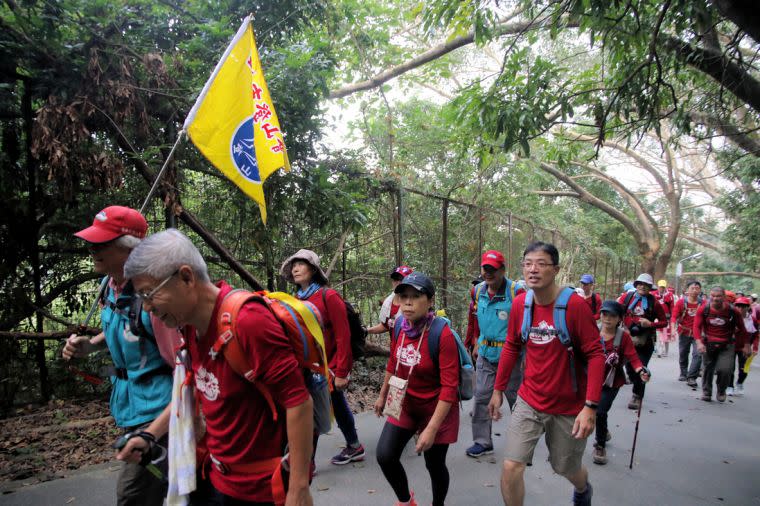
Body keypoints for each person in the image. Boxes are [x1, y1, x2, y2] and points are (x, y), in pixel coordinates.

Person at [123, 229, 314, 505]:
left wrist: (298, 488)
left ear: (186, 277)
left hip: (264, 490)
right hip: (217, 480)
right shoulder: (187, 326)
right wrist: (150, 435)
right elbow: (193, 389)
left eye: (149, 294)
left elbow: (298, 401)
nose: (147, 307)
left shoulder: (248, 321)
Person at [62, 206, 179, 506]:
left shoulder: (151, 296)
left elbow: (184, 367)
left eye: (102, 243)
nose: (92, 249)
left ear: (129, 249)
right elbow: (127, 330)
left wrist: (155, 433)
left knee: (133, 496)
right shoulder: (111, 287)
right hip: (131, 407)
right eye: (92, 241)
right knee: (161, 491)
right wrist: (90, 345)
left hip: (158, 411)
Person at [488, 242, 605, 506]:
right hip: (530, 399)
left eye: (541, 264)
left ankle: (583, 489)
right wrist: (498, 390)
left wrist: (590, 407)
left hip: (568, 405)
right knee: (511, 466)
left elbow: (596, 355)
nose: (533, 270)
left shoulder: (575, 307)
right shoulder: (520, 305)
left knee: (565, 468)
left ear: (556, 270)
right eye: (528, 263)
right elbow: (511, 346)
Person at [374, 272, 459, 506]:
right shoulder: (400, 324)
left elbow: (450, 387)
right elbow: (393, 362)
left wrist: (431, 429)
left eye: (415, 296)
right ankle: (406, 501)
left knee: (434, 464)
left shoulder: (442, 334)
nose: (408, 302)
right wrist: (383, 395)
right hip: (405, 404)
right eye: (403, 296)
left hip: (437, 409)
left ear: (430, 301)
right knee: (385, 455)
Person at [280, 250, 365, 466]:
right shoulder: (292, 300)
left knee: (317, 407)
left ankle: (307, 462)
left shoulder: (329, 296)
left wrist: (342, 371)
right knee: (329, 403)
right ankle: (354, 446)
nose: (296, 268)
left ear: (313, 270)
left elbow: (343, 335)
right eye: (294, 265)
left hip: (330, 366)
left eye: (301, 264)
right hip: (306, 366)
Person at [465, 250, 524, 458]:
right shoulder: (478, 292)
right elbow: (477, 318)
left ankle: (521, 444)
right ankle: (482, 442)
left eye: (493, 270)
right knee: (481, 397)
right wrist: (475, 342)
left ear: (502, 270)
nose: (488, 273)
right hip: (485, 354)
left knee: (516, 400)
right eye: (485, 269)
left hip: (512, 358)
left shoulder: (517, 292)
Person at [591, 301, 650, 465]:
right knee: (592, 411)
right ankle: (603, 431)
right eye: (604, 314)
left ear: (620, 319)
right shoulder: (592, 331)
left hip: (611, 381)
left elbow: (633, 358)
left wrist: (641, 371)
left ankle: (600, 445)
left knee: (600, 411)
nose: (607, 319)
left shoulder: (623, 337)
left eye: (612, 316)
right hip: (590, 379)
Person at [617, 273, 667, 410]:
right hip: (626, 339)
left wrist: (650, 324)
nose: (642, 286)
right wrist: (621, 325)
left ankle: (637, 396)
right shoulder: (626, 298)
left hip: (645, 342)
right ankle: (635, 383)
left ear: (650, 287)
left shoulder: (654, 303)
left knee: (641, 367)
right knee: (630, 370)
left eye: (645, 284)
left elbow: (664, 322)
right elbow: (615, 312)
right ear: (635, 285)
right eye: (640, 283)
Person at [694, 286, 750, 403]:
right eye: (713, 296)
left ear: (724, 297)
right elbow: (696, 327)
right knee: (708, 369)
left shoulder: (733, 311)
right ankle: (707, 392)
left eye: (718, 296)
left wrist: (746, 345)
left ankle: (721, 390)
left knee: (725, 370)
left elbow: (742, 329)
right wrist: (699, 342)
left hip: (727, 344)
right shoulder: (704, 309)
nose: (715, 299)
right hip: (708, 343)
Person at [671, 281, 705, 386]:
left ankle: (692, 377)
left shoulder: (704, 303)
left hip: (698, 334)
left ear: (700, 290)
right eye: (692, 288)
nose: (695, 290)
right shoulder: (681, 302)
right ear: (687, 290)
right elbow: (674, 317)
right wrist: (672, 329)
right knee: (683, 353)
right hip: (684, 331)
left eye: (697, 288)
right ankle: (683, 373)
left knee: (698, 354)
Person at [366, 266, 413, 337]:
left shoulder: (414, 304)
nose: (398, 282)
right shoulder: (388, 302)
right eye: (395, 279)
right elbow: (386, 326)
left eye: (401, 279)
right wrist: (366, 330)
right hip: (394, 346)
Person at [728, 297, 758, 396]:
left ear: (747, 307)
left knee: (744, 368)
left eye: (743, 306)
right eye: (738, 306)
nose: (740, 309)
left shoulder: (752, 319)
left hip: (745, 348)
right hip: (731, 346)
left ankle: (740, 383)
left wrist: (754, 347)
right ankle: (730, 386)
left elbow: (755, 334)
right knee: (730, 367)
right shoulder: (731, 317)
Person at [653, 279, 675, 357]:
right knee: (658, 334)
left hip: (666, 317)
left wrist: (673, 317)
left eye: (663, 287)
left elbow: (672, 307)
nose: (661, 288)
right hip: (656, 317)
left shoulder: (669, 295)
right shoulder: (654, 294)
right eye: (660, 287)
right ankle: (659, 351)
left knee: (666, 335)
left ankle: (666, 351)